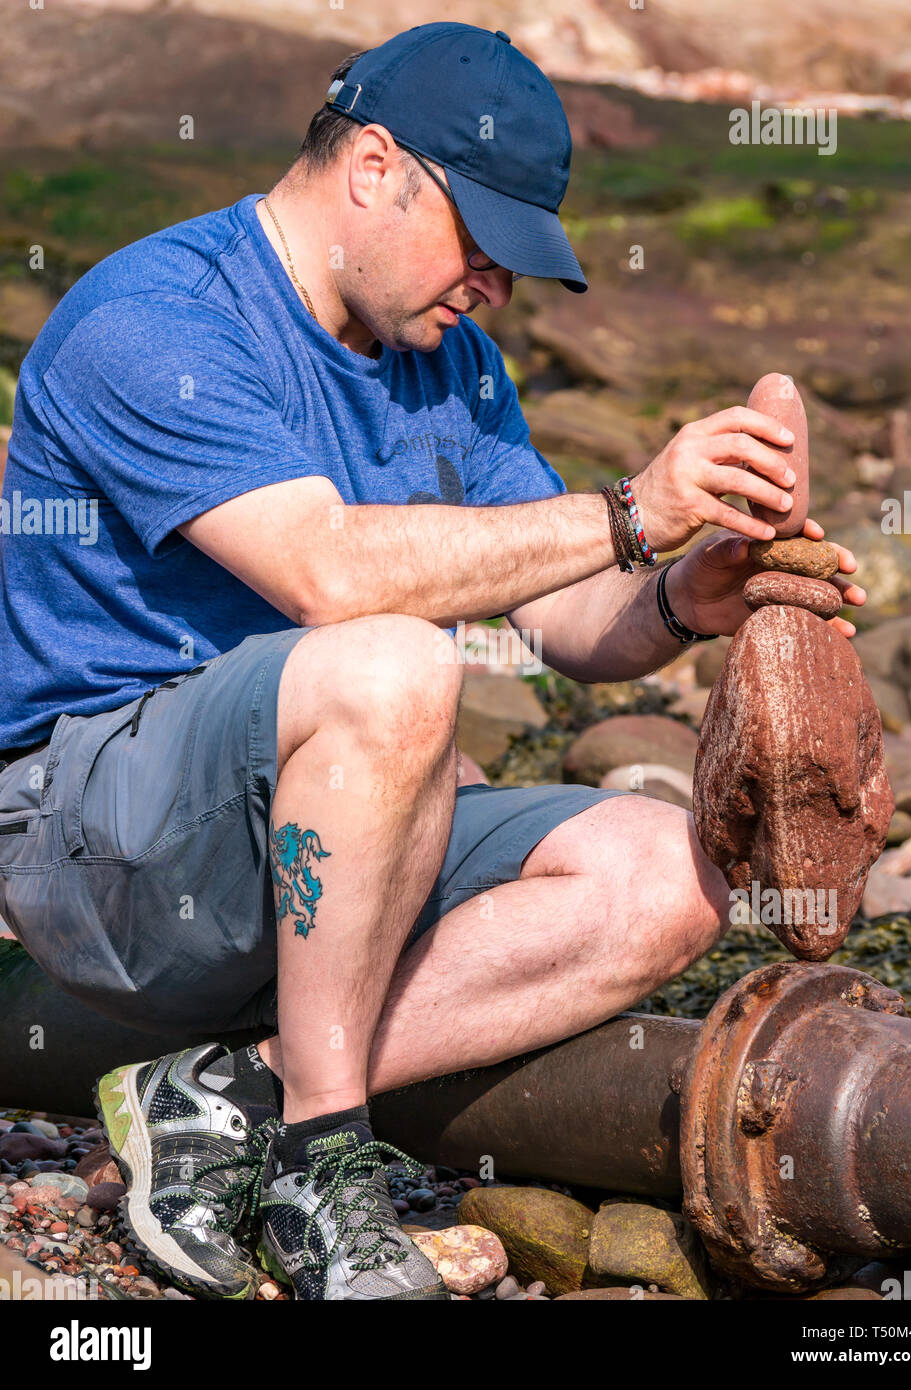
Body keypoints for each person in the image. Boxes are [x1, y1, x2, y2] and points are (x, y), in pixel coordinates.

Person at [0, 23, 863, 1300]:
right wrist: (630, 508)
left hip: (319, 834)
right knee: (397, 664)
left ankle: (225, 1092)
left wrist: (687, 591)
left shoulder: (449, 367)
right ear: (374, 167)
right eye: (484, 245)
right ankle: (322, 1167)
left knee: (668, 871)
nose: (493, 291)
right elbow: (330, 575)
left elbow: (570, 620)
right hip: (97, 844)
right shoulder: (154, 319)